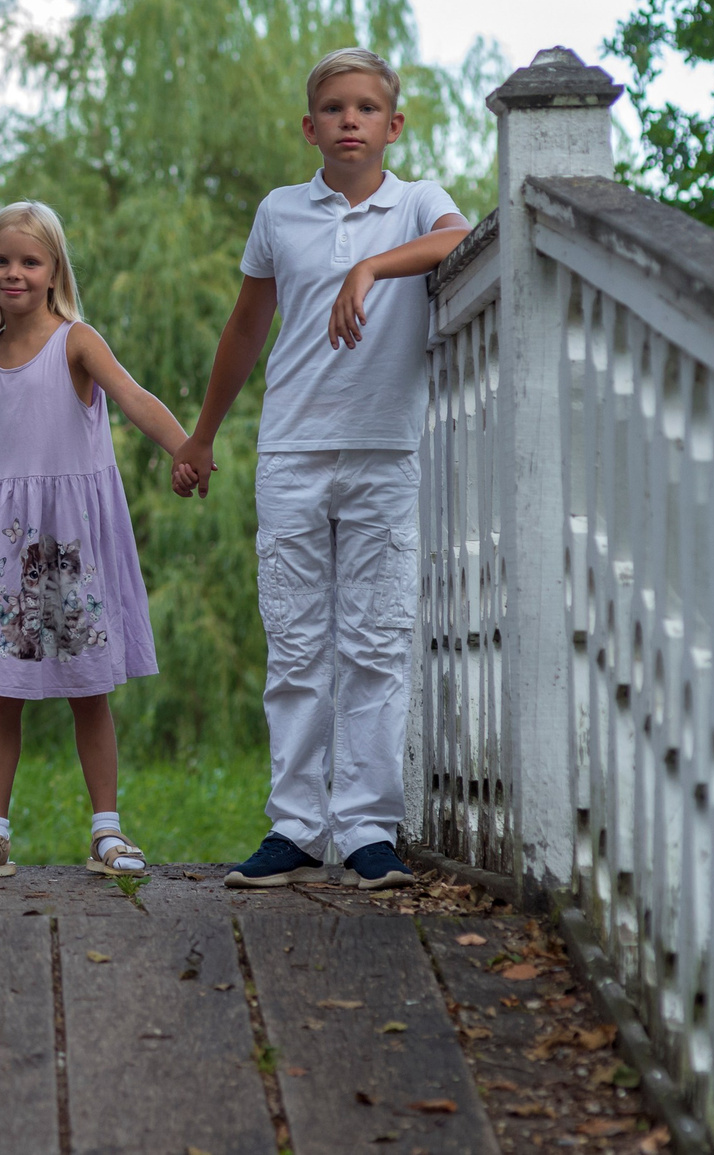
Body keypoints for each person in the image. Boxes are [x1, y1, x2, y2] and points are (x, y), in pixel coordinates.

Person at [172, 46, 468, 892]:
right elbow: (244, 329)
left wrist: (372, 264)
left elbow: (461, 237)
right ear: (310, 126)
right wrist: (201, 433)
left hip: (384, 452)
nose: (350, 120)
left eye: (367, 108)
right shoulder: (280, 212)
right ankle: (297, 825)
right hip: (293, 450)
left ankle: (369, 827)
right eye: (333, 108)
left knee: (375, 643)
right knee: (298, 642)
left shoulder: (416, 203)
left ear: (393, 124)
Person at [0, 202, 195, 878]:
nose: (14, 272)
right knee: (5, 692)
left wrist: (184, 447)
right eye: (2, 261)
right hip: (15, 546)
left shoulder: (76, 341)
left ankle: (106, 831)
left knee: (88, 690)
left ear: (54, 271)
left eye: (30, 261)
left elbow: (135, 398)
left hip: (74, 541)